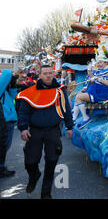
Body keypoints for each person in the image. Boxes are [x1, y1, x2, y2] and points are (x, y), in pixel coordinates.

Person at [16, 65, 73, 199]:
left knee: (51, 161)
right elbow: (24, 112)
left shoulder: (60, 91)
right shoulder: (30, 91)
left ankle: (45, 193)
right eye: (45, 73)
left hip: (53, 131)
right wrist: (23, 128)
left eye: (50, 73)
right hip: (34, 131)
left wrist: (69, 126)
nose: (48, 75)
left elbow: (66, 109)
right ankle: (34, 175)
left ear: (53, 74)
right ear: (40, 75)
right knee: (30, 161)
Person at [72, 43, 108, 130]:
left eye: (100, 62)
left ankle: (83, 117)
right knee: (79, 94)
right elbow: (93, 78)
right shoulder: (103, 70)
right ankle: (75, 117)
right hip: (102, 91)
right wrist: (89, 71)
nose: (99, 64)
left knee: (79, 97)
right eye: (98, 62)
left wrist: (99, 80)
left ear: (106, 62)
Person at [0, 70, 19, 178]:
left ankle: (1, 166)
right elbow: (6, 73)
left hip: (9, 120)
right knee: (3, 146)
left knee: (5, 146)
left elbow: (13, 95)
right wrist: (10, 74)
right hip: (4, 121)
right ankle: (1, 168)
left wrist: (12, 85)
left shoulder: (4, 90)